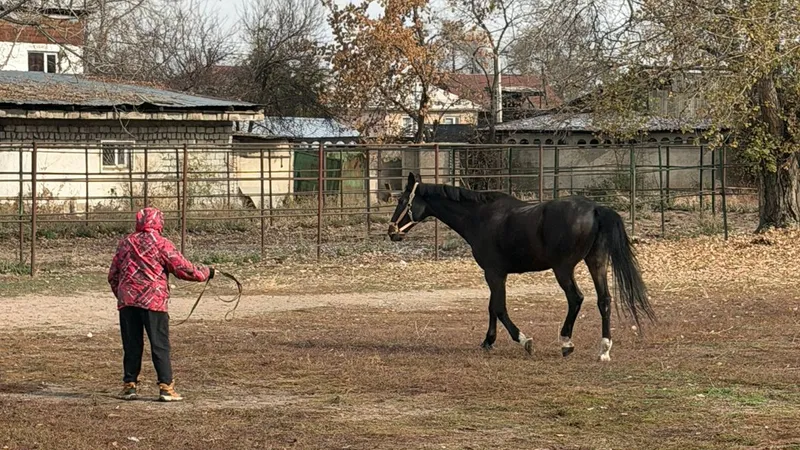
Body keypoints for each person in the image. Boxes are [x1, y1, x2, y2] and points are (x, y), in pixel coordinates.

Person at [108, 207, 214, 402]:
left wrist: (123, 294)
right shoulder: (161, 244)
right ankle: (166, 387)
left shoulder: (126, 243)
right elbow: (183, 268)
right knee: (159, 344)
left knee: (131, 344)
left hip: (128, 302)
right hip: (153, 302)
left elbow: (113, 274)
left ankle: (129, 386)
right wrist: (205, 272)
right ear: (159, 222)